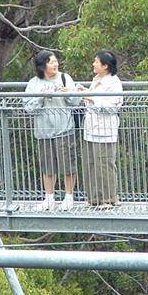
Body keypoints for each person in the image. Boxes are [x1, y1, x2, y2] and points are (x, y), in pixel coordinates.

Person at [23, 51, 81, 211]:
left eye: (56, 61)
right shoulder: (33, 83)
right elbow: (28, 107)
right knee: (47, 166)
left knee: (68, 164)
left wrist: (67, 93)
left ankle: (69, 197)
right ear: (42, 66)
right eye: (51, 62)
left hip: (64, 128)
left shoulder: (65, 78)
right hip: (43, 130)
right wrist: (41, 97)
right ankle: (49, 198)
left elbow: (76, 101)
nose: (55, 64)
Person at [76, 50, 123, 208]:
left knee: (105, 164)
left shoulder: (114, 83)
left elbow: (111, 106)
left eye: (96, 62)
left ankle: (109, 198)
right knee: (90, 163)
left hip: (105, 130)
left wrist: (90, 97)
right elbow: (92, 98)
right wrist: (84, 92)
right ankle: (94, 198)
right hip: (90, 128)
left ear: (105, 66)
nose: (93, 64)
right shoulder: (96, 79)